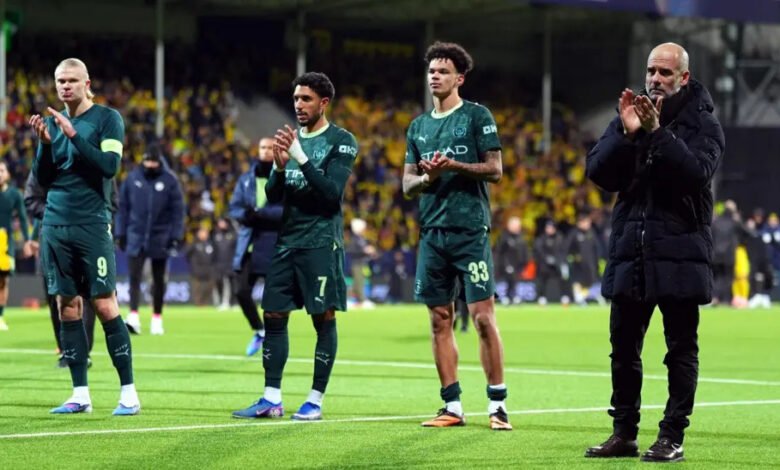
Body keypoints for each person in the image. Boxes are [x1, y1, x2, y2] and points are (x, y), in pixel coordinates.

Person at [584, 43, 724, 462]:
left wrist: (658, 132)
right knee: (623, 349)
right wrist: (627, 135)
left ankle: (672, 436)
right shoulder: (631, 116)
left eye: (665, 73)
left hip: (680, 251)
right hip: (631, 250)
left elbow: (696, 174)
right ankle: (623, 433)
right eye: (651, 71)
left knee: (679, 349)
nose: (655, 79)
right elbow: (598, 172)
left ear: (684, 77)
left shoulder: (704, 124)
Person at [232, 72, 357, 421]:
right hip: (287, 242)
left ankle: (315, 400)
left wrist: (301, 158)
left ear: (323, 103)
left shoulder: (341, 141)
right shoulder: (292, 140)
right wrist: (279, 167)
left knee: (323, 318)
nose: (299, 105)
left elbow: (331, 194)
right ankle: (271, 398)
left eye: (306, 99)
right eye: (296, 99)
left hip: (321, 244)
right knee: (273, 314)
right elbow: (273, 196)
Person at [402, 41, 511, 431]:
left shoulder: (477, 116)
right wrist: (428, 177)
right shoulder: (418, 126)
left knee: (482, 318)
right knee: (439, 320)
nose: (435, 76)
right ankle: (452, 405)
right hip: (432, 233)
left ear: (459, 78)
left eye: (443, 71)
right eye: (431, 70)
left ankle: (497, 405)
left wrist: (453, 166)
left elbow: (495, 169)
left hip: (470, 232)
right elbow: (407, 185)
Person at [29, 57, 140, 415]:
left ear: (86, 83)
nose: (65, 86)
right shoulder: (51, 123)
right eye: (60, 81)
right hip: (55, 224)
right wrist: (46, 145)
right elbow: (43, 179)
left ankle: (129, 394)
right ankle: (80, 394)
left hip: (92, 223)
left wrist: (73, 134)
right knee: (67, 306)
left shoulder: (108, 119)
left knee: (105, 305)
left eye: (72, 80)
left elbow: (109, 166)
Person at [24, 171, 100, 366]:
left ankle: (83, 350)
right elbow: (31, 199)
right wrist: (58, 211)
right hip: (52, 236)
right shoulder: (44, 163)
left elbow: (110, 199)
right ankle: (66, 349)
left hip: (87, 235)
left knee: (86, 295)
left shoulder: (91, 160)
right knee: (54, 296)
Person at [116, 145, 184, 335]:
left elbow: (178, 211)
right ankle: (133, 316)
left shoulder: (170, 181)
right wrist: (120, 233)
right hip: (135, 235)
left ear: (159, 161)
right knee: (134, 278)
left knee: (159, 280)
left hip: (160, 237)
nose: (150, 165)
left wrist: (175, 236)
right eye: (148, 161)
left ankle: (157, 318)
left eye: (154, 161)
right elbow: (122, 208)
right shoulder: (132, 178)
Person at [228, 137, 283, 356]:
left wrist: (260, 214)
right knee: (241, 291)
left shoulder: (285, 177)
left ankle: (274, 338)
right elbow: (234, 208)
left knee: (273, 299)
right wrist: (246, 216)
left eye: (270, 148)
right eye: (263, 147)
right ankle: (260, 330)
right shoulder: (246, 179)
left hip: (273, 245)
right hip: (249, 245)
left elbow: (287, 210)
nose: (266, 151)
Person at [0, 161, 34, 331]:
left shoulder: (14, 194)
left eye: (1, 170)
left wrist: (28, 240)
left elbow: (22, 217)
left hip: (6, 243)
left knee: (3, 281)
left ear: (7, 174)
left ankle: (0, 316)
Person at [494, 216, 530, 305]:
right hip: (506, 265)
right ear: (509, 226)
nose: (517, 228)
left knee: (515, 281)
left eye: (518, 226)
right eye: (515, 225)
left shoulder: (521, 237)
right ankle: (506, 296)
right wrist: (505, 264)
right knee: (508, 280)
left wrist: (524, 262)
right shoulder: (504, 237)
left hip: (519, 265)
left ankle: (514, 296)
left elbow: (524, 251)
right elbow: (499, 252)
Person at [345, 217, 376, 308]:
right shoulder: (354, 238)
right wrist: (365, 250)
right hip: (356, 263)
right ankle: (362, 300)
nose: (364, 229)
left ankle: (351, 299)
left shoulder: (360, 238)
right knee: (359, 282)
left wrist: (368, 251)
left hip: (361, 263)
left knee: (359, 282)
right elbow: (351, 251)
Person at [213, 217, 237, 311]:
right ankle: (222, 302)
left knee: (233, 283)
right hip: (219, 263)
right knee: (219, 282)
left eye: (223, 222)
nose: (221, 224)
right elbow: (214, 250)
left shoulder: (233, 234)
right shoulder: (216, 234)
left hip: (231, 263)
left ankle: (233, 303)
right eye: (220, 222)